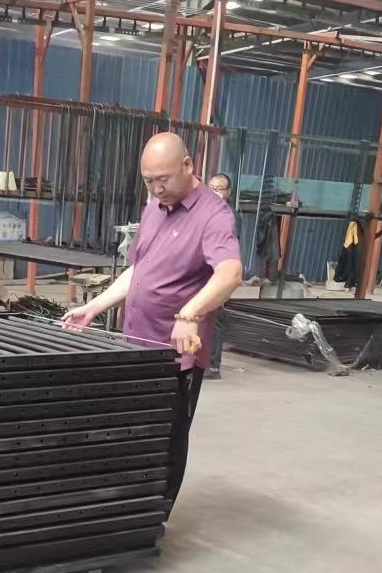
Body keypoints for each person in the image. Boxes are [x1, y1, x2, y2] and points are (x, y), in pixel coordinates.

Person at [62, 132, 242, 505]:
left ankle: (156, 515)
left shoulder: (213, 215)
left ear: (188, 165)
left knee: (168, 437)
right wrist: (95, 306)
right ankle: (127, 506)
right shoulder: (154, 209)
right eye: (149, 181)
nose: (157, 188)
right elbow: (139, 270)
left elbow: (230, 273)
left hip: (176, 354)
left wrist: (190, 313)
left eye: (164, 179)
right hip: (136, 345)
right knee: (133, 432)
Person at [206, 173, 242, 380]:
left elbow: (229, 251)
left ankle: (213, 366)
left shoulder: (230, 216)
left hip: (218, 275)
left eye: (219, 189)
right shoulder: (205, 212)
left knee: (215, 319)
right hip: (204, 273)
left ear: (227, 192)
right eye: (211, 188)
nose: (215, 192)